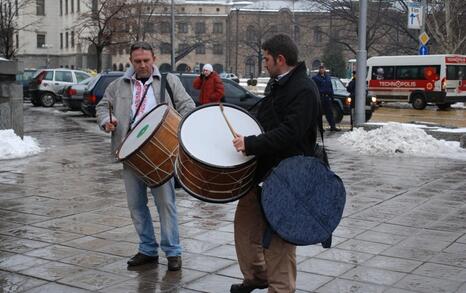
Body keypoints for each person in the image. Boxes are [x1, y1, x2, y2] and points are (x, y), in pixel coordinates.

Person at [231, 34, 320, 293]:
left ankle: (281, 289)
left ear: (280, 59)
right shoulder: (277, 84)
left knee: (280, 243)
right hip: (261, 173)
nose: (264, 63)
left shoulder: (303, 89)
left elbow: (290, 133)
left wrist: (251, 144)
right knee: (245, 230)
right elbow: (265, 119)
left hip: (288, 177)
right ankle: (257, 276)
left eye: (267, 58)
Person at [95, 41, 195, 271]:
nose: (142, 65)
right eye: (137, 61)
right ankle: (148, 250)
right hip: (129, 154)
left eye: (146, 61)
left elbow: (188, 107)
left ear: (154, 59)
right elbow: (102, 107)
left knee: (166, 204)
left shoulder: (169, 82)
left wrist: (177, 129)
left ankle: (173, 252)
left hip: (161, 152)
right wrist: (106, 121)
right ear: (131, 61)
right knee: (136, 206)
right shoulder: (118, 85)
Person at [312, 65, 340, 131]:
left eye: (323, 68)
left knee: (329, 113)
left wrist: (332, 96)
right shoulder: (316, 78)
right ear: (319, 70)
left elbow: (330, 87)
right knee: (319, 113)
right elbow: (313, 87)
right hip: (320, 97)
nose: (322, 70)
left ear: (325, 69)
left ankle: (333, 126)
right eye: (321, 69)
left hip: (327, 97)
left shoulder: (328, 77)